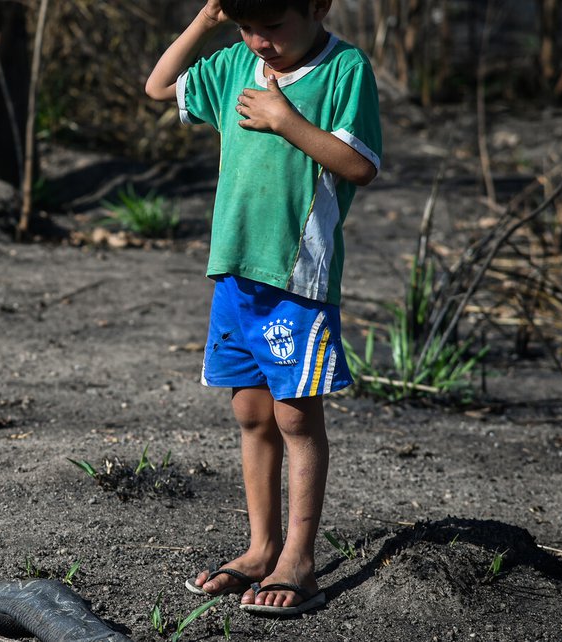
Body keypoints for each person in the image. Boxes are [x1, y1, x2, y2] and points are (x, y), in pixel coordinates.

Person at [144, 0, 381, 617]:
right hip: (234, 276)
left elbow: (359, 165)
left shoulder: (345, 69)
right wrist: (205, 23)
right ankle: (260, 548)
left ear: (317, 6)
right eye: (246, 27)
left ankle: (298, 559)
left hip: (297, 279)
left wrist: (286, 120)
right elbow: (159, 85)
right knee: (252, 412)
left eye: (272, 26)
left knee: (297, 418)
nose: (259, 41)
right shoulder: (233, 63)